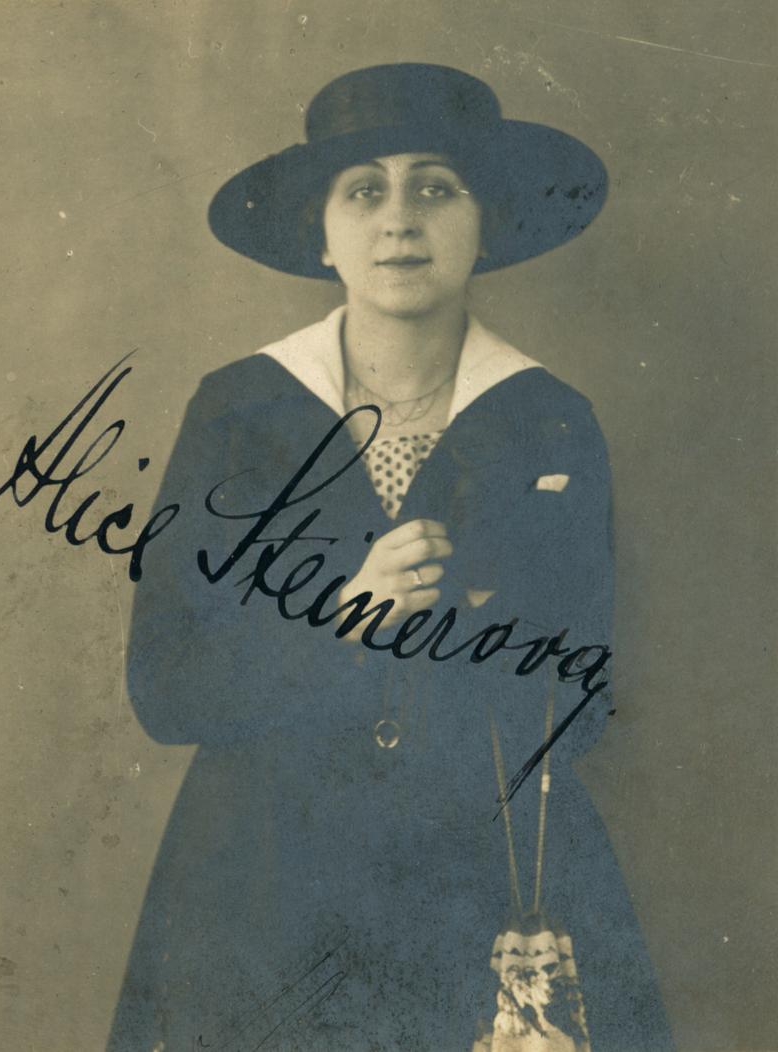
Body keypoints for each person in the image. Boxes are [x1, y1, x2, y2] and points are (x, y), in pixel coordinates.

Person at [108, 64, 674, 1051]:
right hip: (262, 883)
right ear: (321, 233)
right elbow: (168, 687)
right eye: (364, 190)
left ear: (486, 222)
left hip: (476, 878)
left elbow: (581, 706)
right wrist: (342, 620)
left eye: (435, 187)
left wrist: (473, 626)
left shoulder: (548, 418)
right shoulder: (240, 410)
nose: (400, 220)